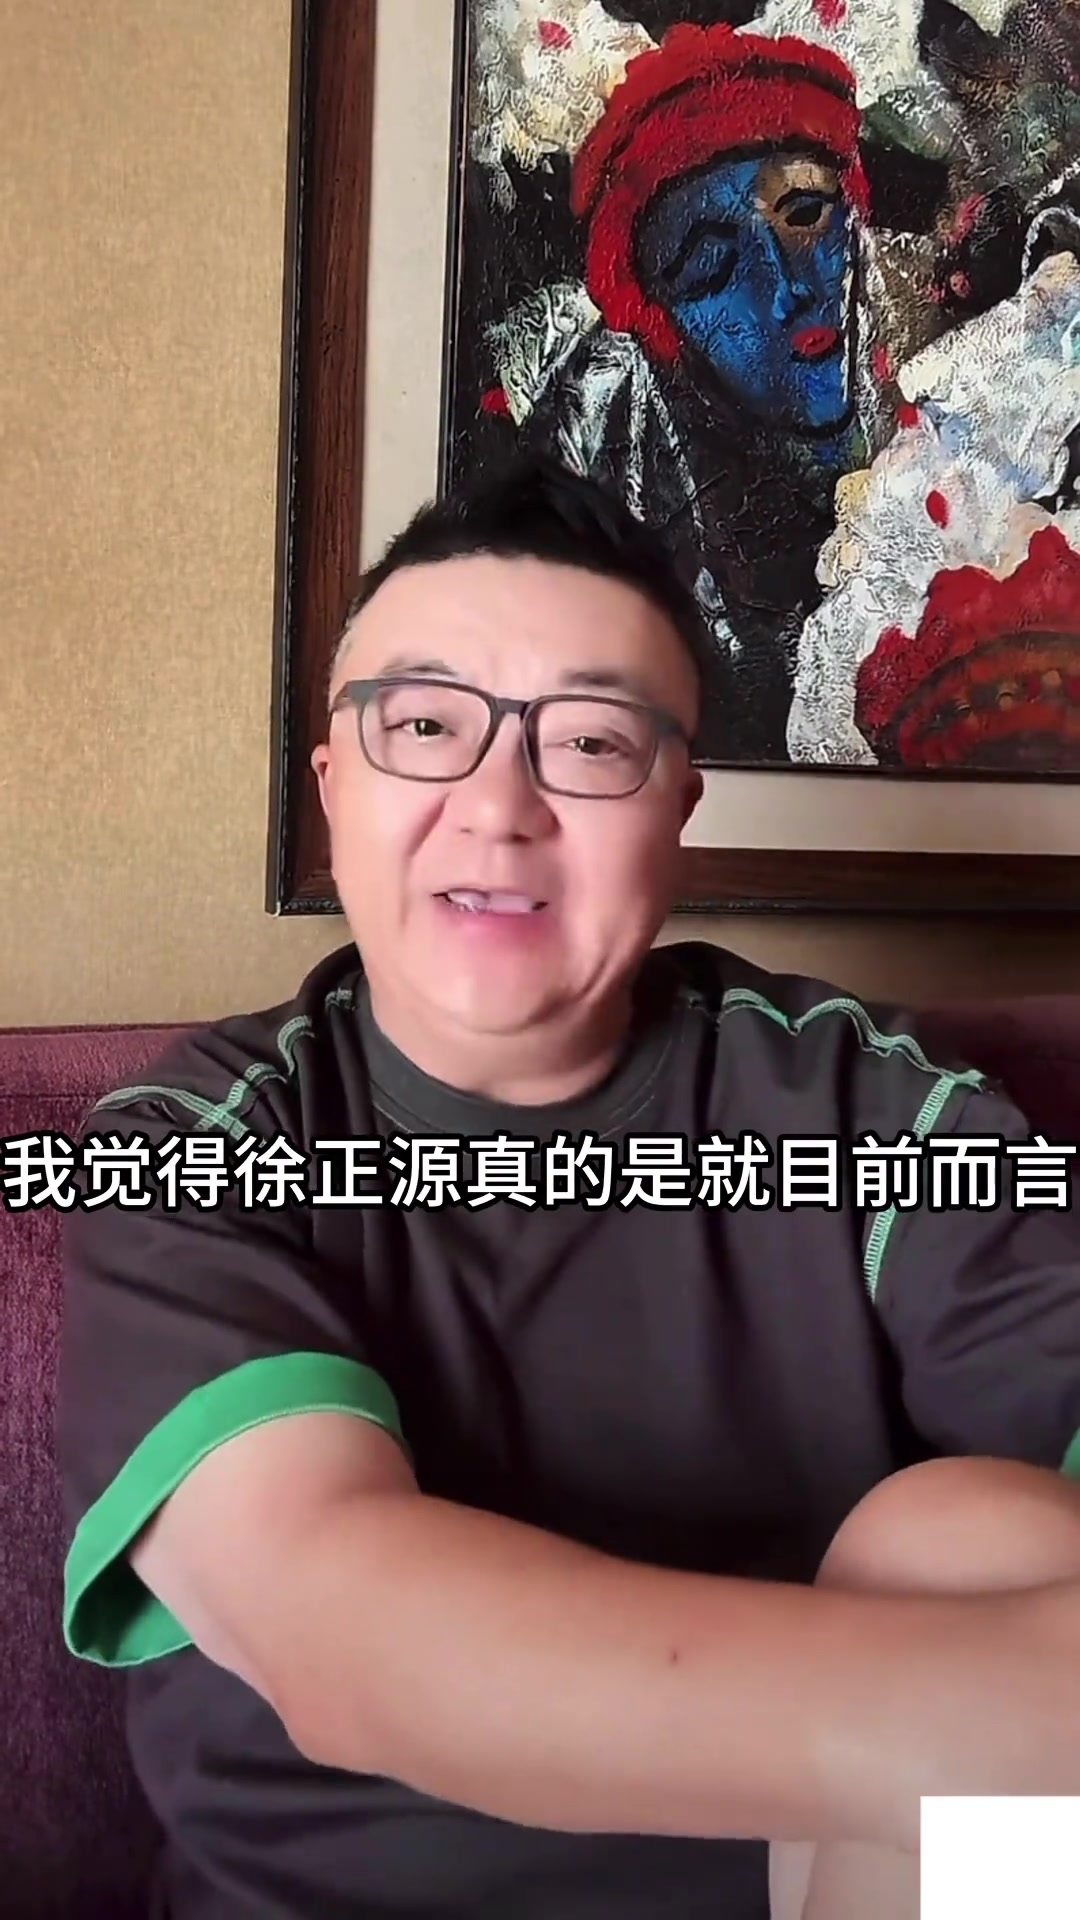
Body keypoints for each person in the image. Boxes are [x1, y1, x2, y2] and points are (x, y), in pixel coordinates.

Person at [57, 454, 1080, 1920]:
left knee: (981, 1533)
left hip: (821, 1887)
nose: (498, 808)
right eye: (425, 726)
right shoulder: (193, 1141)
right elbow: (347, 1638)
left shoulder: (865, 1102)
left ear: (680, 811)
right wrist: (1012, 1735)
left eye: (592, 744)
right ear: (333, 788)